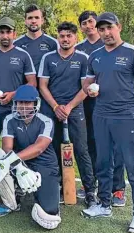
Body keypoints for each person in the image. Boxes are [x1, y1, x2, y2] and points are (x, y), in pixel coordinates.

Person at [81, 12, 134, 233]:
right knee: (103, 162)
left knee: (133, 165)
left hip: (126, 116)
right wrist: (89, 89)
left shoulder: (132, 53)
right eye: (101, 29)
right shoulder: (95, 55)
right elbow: (87, 81)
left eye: (109, 28)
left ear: (118, 27)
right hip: (101, 116)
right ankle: (104, 204)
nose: (105, 33)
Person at [38, 22, 97, 207]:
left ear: (75, 38)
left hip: (74, 110)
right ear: (58, 38)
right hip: (51, 109)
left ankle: (89, 192)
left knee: (81, 150)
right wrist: (56, 107)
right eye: (62, 36)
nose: (65, 39)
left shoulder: (83, 58)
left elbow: (85, 88)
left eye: (69, 36)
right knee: (53, 150)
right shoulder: (48, 58)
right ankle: (60, 188)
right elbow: (42, 86)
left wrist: (69, 107)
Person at [0, 85, 61, 229]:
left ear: (35, 103)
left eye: (27, 102)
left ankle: (43, 192)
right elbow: (7, 148)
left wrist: (12, 161)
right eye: (20, 102)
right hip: (19, 162)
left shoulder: (46, 121)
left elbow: (39, 148)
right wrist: (19, 167)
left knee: (49, 215)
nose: (23, 106)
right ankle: (11, 202)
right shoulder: (9, 119)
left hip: (44, 165)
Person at [0, 16, 36, 196]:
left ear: (14, 34)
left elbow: (32, 82)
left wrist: (13, 95)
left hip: (16, 109)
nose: (5, 35)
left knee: (16, 146)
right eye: (1, 32)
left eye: (8, 32)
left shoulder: (23, 55)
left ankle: (18, 186)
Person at [75, 11, 126, 207]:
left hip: (112, 104)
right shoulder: (79, 48)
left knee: (115, 145)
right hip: (87, 104)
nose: (88, 26)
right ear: (81, 27)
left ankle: (118, 188)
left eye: (90, 22)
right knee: (92, 144)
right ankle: (93, 183)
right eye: (84, 23)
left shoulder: (110, 43)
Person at [14, 4, 58, 84]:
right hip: (23, 90)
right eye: (30, 18)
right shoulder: (16, 44)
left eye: (37, 17)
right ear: (25, 21)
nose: (33, 21)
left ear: (42, 20)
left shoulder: (53, 43)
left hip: (47, 91)